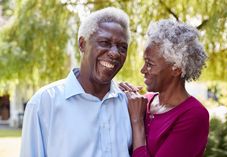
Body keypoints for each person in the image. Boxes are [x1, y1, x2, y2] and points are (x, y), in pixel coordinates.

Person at [20, 7, 132, 157]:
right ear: (82, 44)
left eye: (122, 47)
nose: (114, 53)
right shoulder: (44, 103)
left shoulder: (128, 103)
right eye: (105, 42)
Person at [119, 19, 209, 157]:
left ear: (176, 69)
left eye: (149, 64)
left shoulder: (194, 115)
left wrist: (137, 122)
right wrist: (118, 94)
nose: (142, 70)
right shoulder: (144, 102)